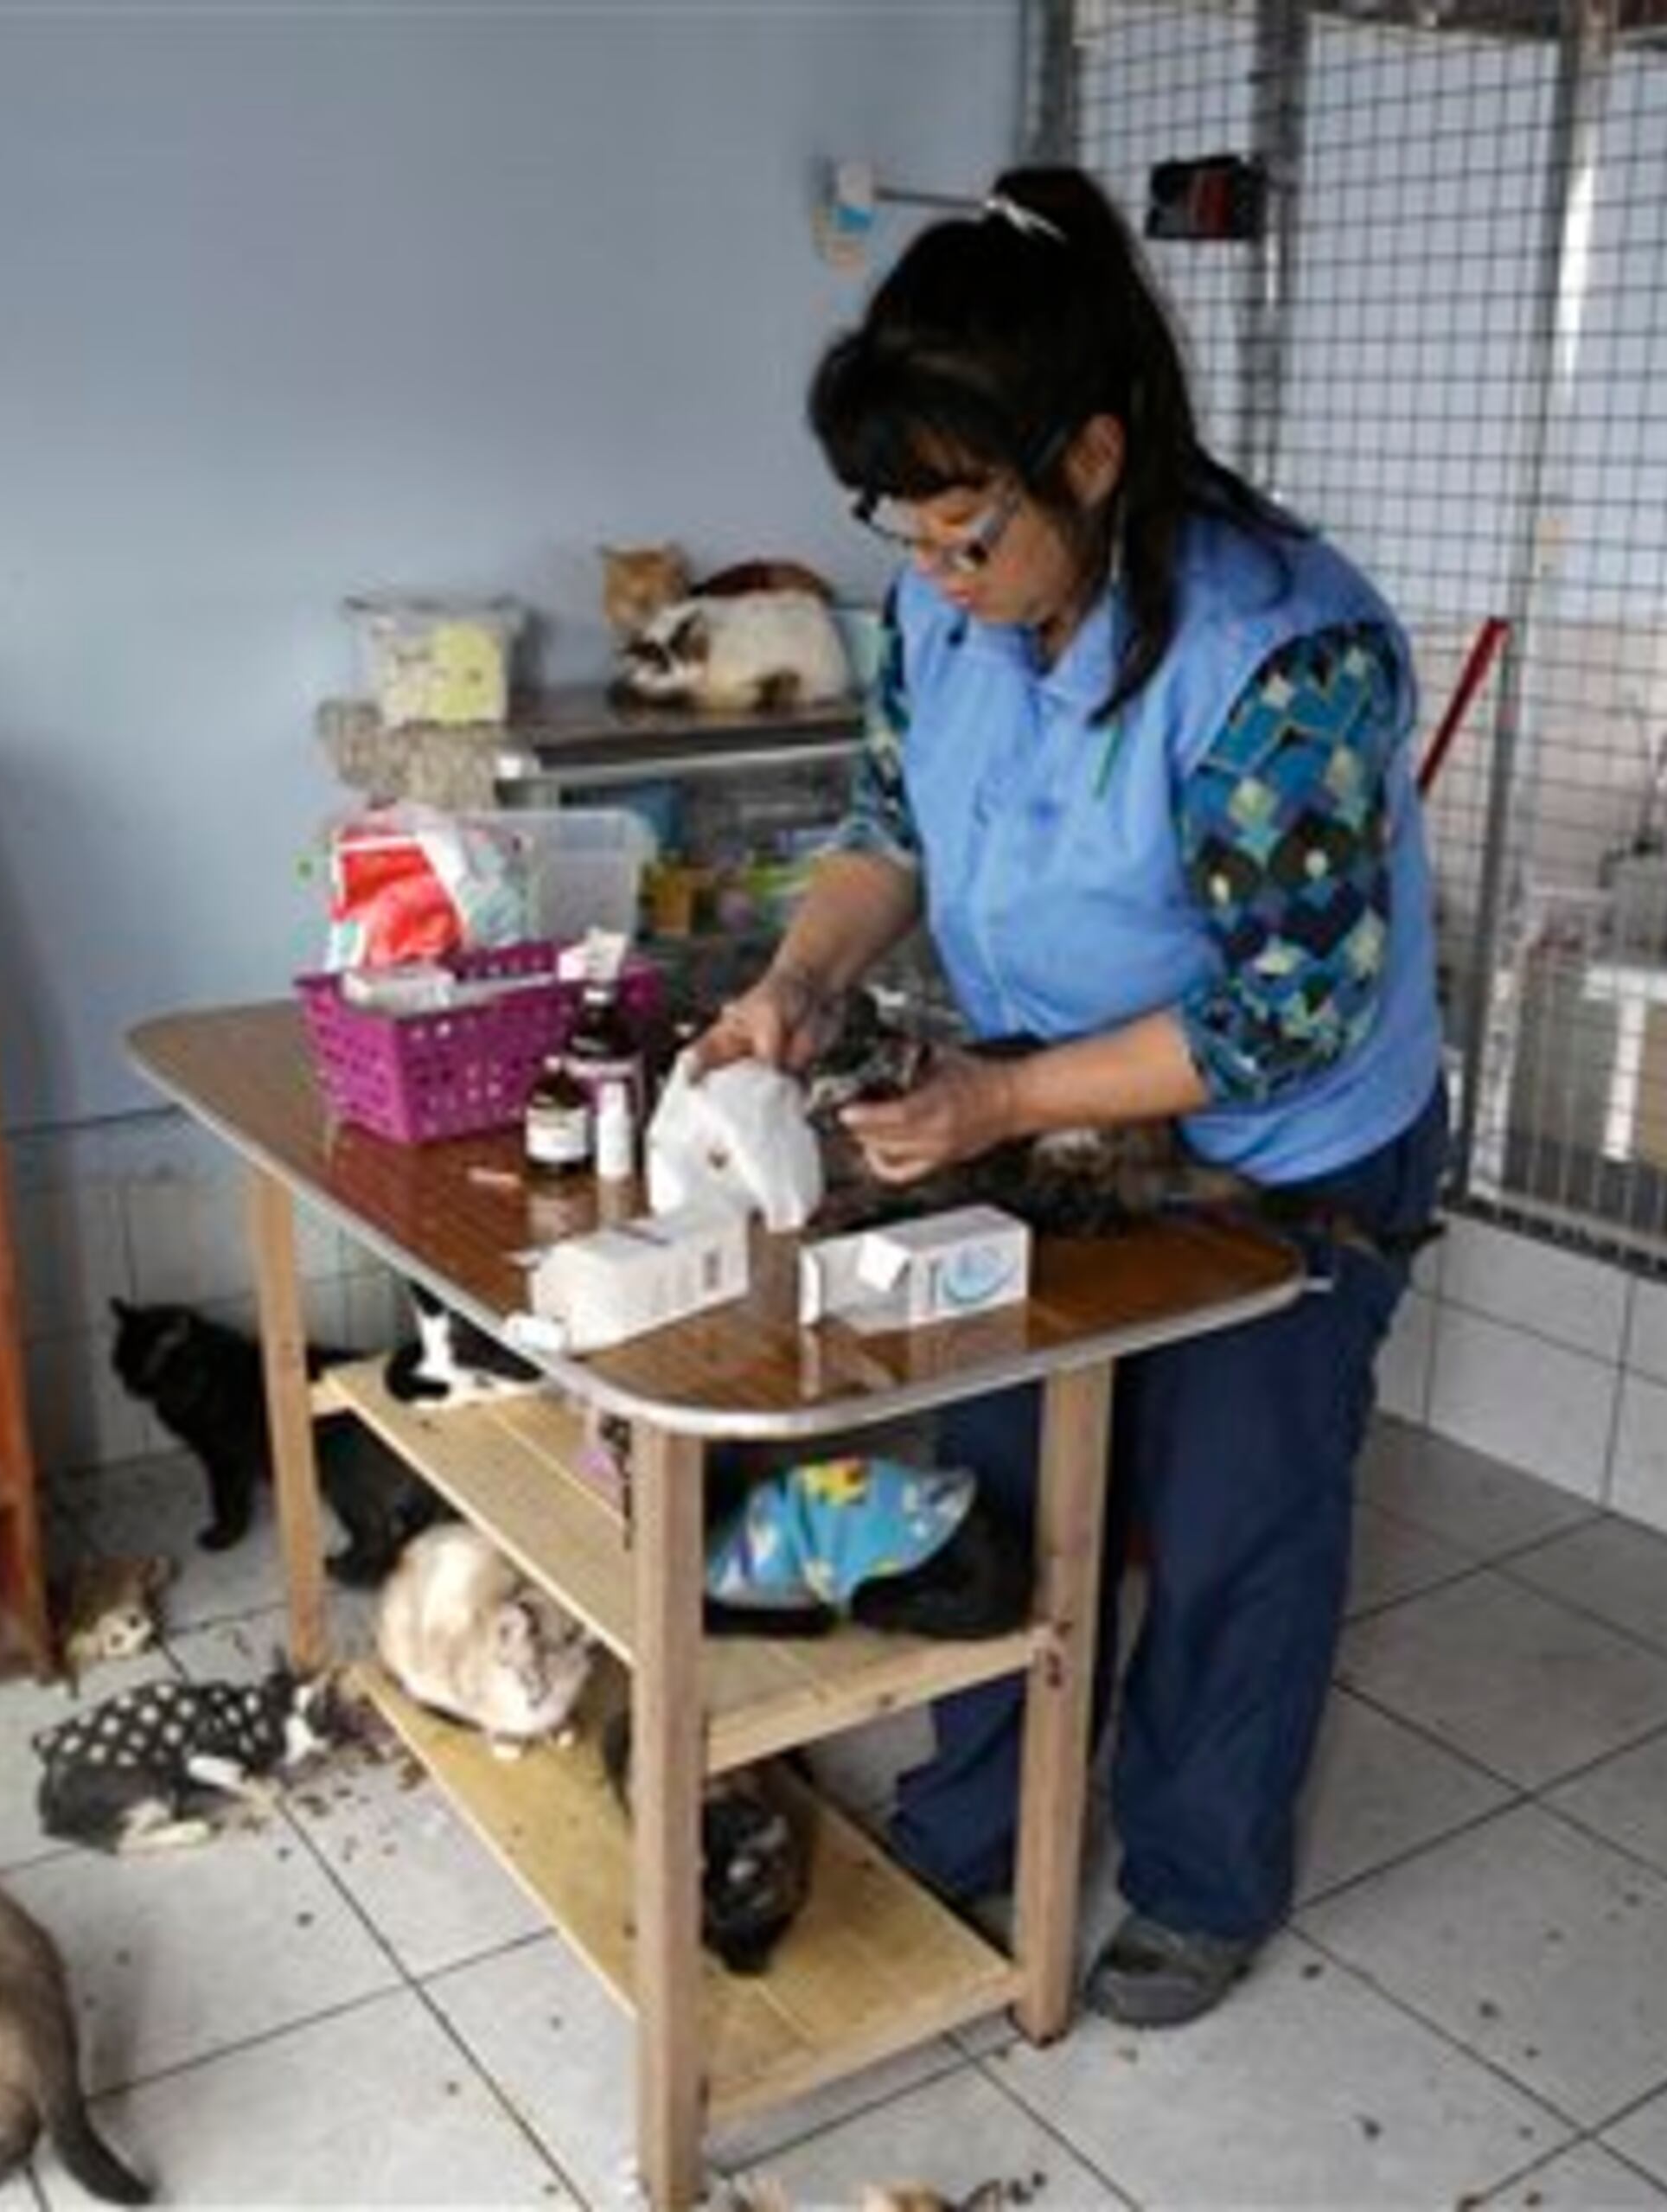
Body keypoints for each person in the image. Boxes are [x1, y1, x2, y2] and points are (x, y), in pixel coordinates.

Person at [693, 165, 1448, 2029]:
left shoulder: (1287, 653)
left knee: (1228, 1519)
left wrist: (1003, 1099)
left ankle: (1197, 1877)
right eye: (909, 531)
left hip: (1280, 1160)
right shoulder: (939, 607)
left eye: (967, 529)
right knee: (1005, 1485)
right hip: (1039, 1123)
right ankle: (980, 1825)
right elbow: (891, 829)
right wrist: (798, 982)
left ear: (1094, 458)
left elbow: (1282, 1016)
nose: (933, 574)